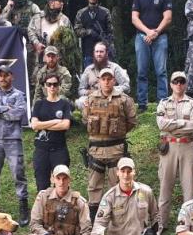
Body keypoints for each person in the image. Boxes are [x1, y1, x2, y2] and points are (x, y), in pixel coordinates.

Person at [81, 67, 138, 218]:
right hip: (96, 151)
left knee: (117, 185)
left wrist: (118, 132)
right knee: (94, 186)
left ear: (114, 80)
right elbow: (85, 120)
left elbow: (132, 121)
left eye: (109, 79)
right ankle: (94, 218)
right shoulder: (91, 99)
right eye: (103, 79)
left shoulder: (124, 99)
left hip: (116, 150)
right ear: (99, 81)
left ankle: (118, 217)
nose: (106, 82)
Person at [0, 64, 30, 226]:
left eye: (6, 75)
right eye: (0, 75)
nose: (3, 78)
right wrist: (4, 108)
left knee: (18, 173)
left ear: (12, 76)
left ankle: (23, 205)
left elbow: (17, 114)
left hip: (13, 140)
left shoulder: (18, 95)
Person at [156, 71, 193, 227]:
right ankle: (161, 225)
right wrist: (183, 123)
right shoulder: (163, 102)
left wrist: (173, 124)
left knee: (189, 189)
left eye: (182, 81)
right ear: (170, 84)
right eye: (176, 81)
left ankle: (190, 225)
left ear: (186, 84)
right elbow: (161, 124)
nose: (179, 84)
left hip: (188, 147)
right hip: (168, 148)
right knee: (164, 188)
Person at [131, 0, 173, 112]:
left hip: (160, 37)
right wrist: (148, 32)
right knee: (142, 71)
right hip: (142, 37)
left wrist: (156, 32)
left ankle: (162, 103)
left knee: (161, 71)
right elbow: (134, 19)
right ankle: (142, 103)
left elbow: (167, 18)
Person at [30, 75, 72, 192]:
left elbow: (65, 125)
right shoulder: (39, 104)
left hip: (59, 150)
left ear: (59, 86)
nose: (52, 87)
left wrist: (42, 124)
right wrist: (54, 121)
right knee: (42, 184)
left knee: (61, 184)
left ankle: (62, 209)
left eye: (55, 84)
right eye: (49, 84)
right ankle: (43, 209)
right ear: (45, 87)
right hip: (41, 150)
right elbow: (34, 125)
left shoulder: (64, 104)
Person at [28, 0, 79, 77]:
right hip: (39, 59)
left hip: (58, 61)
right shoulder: (38, 18)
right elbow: (30, 31)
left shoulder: (64, 20)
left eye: (62, 1)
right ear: (51, 3)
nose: (62, 3)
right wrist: (36, 43)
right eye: (59, 1)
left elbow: (71, 42)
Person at [2, 0, 42, 75]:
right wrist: (8, 7)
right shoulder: (11, 6)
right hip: (14, 44)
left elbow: (39, 26)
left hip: (30, 45)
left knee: (31, 73)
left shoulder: (33, 7)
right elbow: (2, 22)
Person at [76, 43, 131, 111]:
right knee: (80, 102)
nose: (99, 54)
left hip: (112, 97)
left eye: (101, 52)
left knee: (126, 101)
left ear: (106, 53)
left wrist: (110, 90)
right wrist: (89, 92)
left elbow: (126, 86)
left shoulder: (115, 68)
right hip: (94, 98)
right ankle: (91, 118)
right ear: (94, 53)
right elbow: (81, 90)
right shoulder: (88, 69)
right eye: (97, 52)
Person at [74, 0, 114, 69]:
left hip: (103, 51)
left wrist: (109, 44)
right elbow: (77, 31)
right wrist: (89, 32)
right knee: (90, 77)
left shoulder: (105, 12)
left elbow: (110, 31)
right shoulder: (81, 13)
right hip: (88, 51)